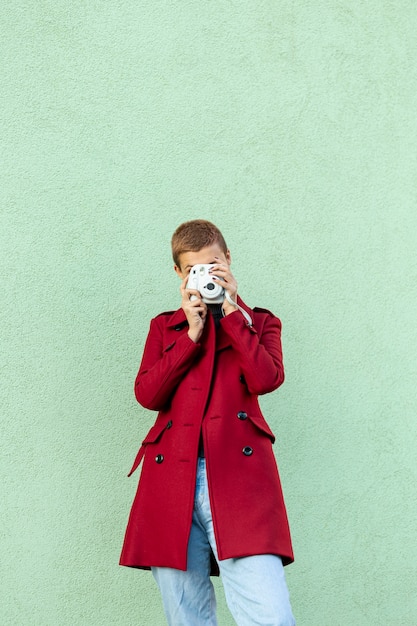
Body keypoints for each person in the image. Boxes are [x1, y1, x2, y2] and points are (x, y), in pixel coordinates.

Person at [120, 220, 295, 626]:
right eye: (195, 269)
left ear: (229, 261)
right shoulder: (165, 327)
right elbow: (148, 394)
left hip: (239, 478)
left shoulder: (261, 322)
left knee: (270, 616)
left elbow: (266, 378)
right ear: (180, 275)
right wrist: (191, 334)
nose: (205, 275)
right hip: (170, 483)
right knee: (188, 619)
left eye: (213, 265)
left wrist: (233, 313)